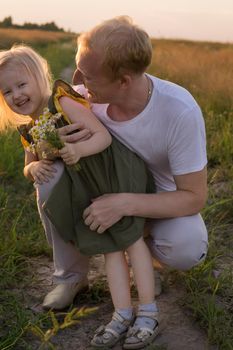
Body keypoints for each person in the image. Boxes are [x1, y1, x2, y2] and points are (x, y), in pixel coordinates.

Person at [0, 45, 160, 349]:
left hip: (113, 175)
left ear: (38, 78)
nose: (16, 94)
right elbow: (26, 168)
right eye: (7, 91)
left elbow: (103, 136)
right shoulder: (32, 128)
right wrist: (33, 166)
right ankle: (122, 312)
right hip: (89, 186)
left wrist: (78, 150)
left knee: (130, 239)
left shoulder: (60, 103)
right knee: (111, 245)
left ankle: (149, 306)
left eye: (21, 85)